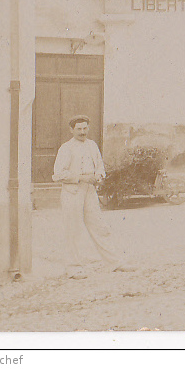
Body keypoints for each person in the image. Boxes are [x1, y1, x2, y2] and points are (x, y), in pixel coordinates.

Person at [52, 115, 135, 279]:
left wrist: (99, 176)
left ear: (88, 128)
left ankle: (114, 261)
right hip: (72, 192)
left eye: (85, 128)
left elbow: (100, 166)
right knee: (73, 230)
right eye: (78, 129)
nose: (82, 132)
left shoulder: (92, 145)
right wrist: (82, 178)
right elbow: (58, 174)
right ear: (72, 130)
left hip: (89, 190)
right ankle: (74, 268)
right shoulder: (66, 148)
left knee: (100, 226)